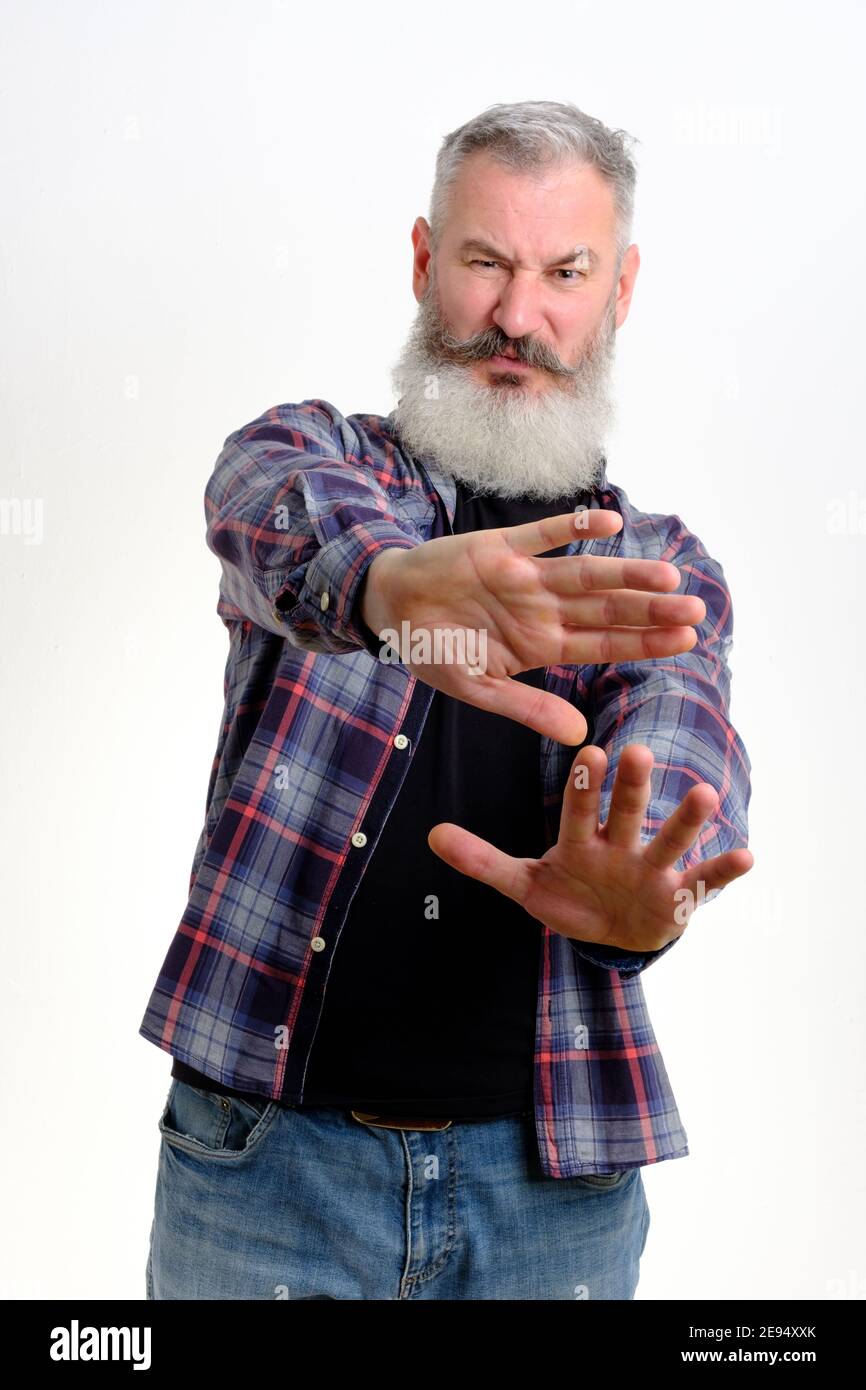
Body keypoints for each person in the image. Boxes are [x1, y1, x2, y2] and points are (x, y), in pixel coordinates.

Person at [141, 99, 753, 1301]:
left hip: (548, 1199)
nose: (516, 317)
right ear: (426, 262)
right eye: (483, 262)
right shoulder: (314, 456)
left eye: (561, 272)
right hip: (266, 1172)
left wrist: (638, 899)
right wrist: (386, 588)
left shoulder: (658, 574)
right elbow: (264, 504)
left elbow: (680, 762)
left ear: (617, 288)